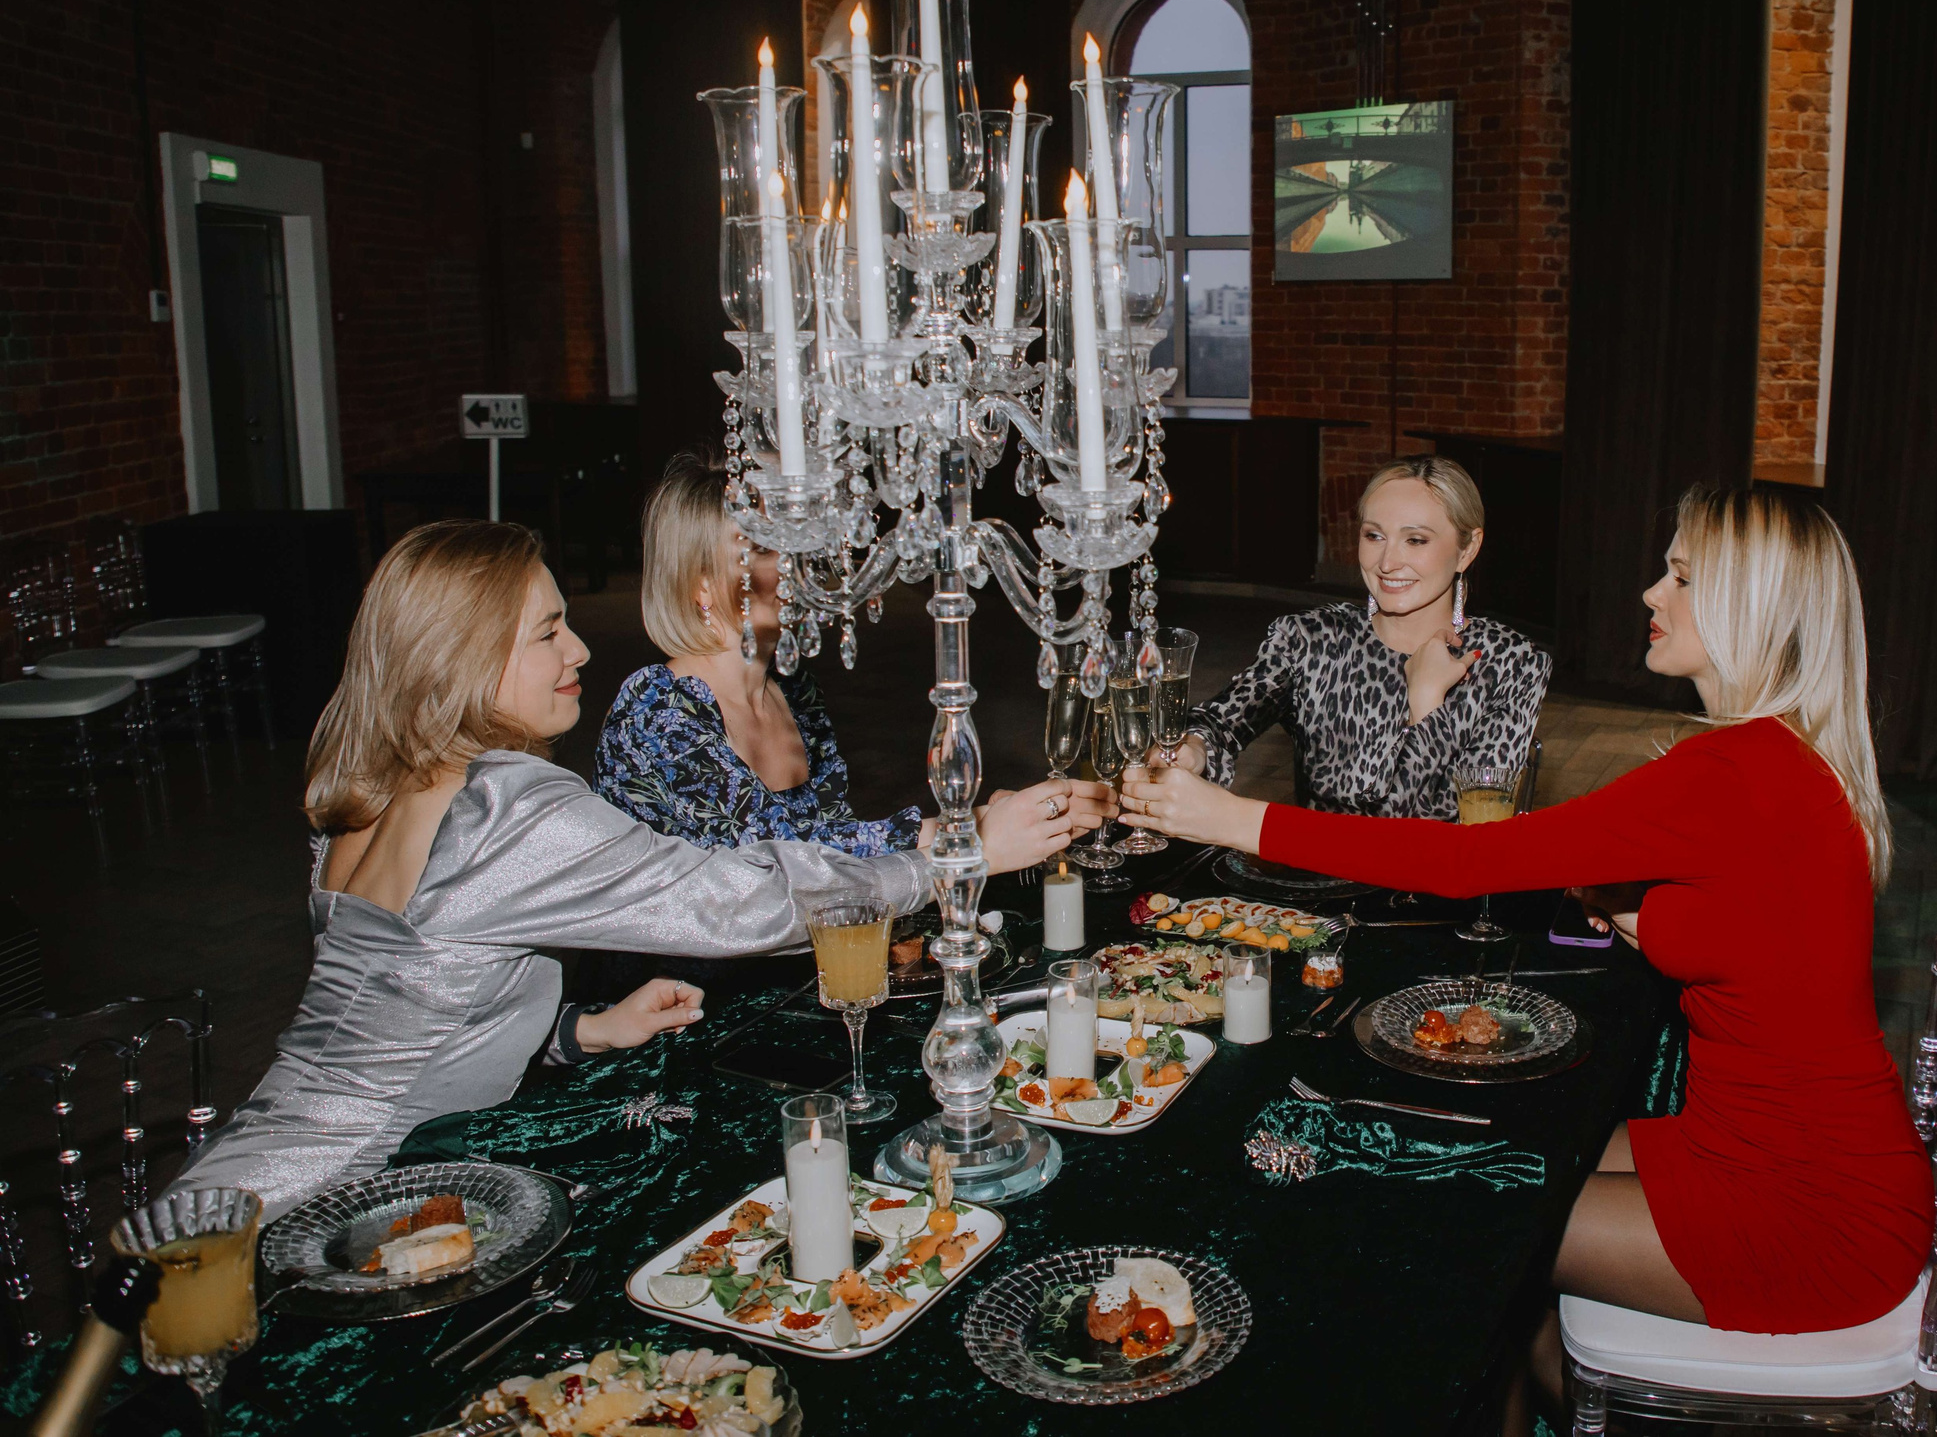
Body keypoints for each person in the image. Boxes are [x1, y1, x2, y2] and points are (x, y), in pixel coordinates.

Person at [1123, 486, 1932, 1413]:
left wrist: (1236, 819)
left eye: (1680, 575)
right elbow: (1759, 929)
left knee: (1468, 1223)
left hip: (1808, 1207)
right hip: (1777, 1149)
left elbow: (1466, 861)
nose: (1651, 592)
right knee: (1513, 1149)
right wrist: (1636, 911)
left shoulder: (1726, 774)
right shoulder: (1786, 759)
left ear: (1749, 605)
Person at [175, 520, 1108, 1217]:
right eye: (548, 632)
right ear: (462, 656)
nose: (580, 648)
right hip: (337, 1202)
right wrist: (956, 853)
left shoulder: (372, 792)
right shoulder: (504, 810)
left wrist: (579, 1030)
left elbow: (406, 1010)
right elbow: (745, 904)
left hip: (240, 1173)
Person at [584, 457, 1096, 996]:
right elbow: (782, 874)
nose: (799, 564)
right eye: (765, 548)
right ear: (702, 586)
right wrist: (970, 842)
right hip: (676, 1012)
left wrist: (986, 820)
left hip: (791, 979)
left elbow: (833, 847)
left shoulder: (792, 690)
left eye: (796, 541)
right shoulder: (658, 711)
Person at [1173, 456, 1549, 820]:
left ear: (1467, 550)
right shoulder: (1311, 640)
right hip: (1311, 864)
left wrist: (1426, 702)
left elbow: (1457, 834)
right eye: (1374, 535)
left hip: (1435, 867)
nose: (1386, 563)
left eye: (1416, 540)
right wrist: (1194, 748)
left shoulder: (1510, 662)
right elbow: (1220, 721)